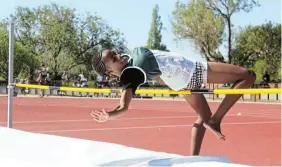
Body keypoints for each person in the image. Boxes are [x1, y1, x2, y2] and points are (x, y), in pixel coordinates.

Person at [90, 47, 256, 155]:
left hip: (181, 83)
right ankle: (216, 120)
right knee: (248, 76)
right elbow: (123, 106)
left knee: (203, 116)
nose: (118, 56)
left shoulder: (130, 69)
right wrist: (109, 115)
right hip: (191, 70)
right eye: (114, 59)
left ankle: (193, 160)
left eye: (115, 53)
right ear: (109, 72)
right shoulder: (132, 72)